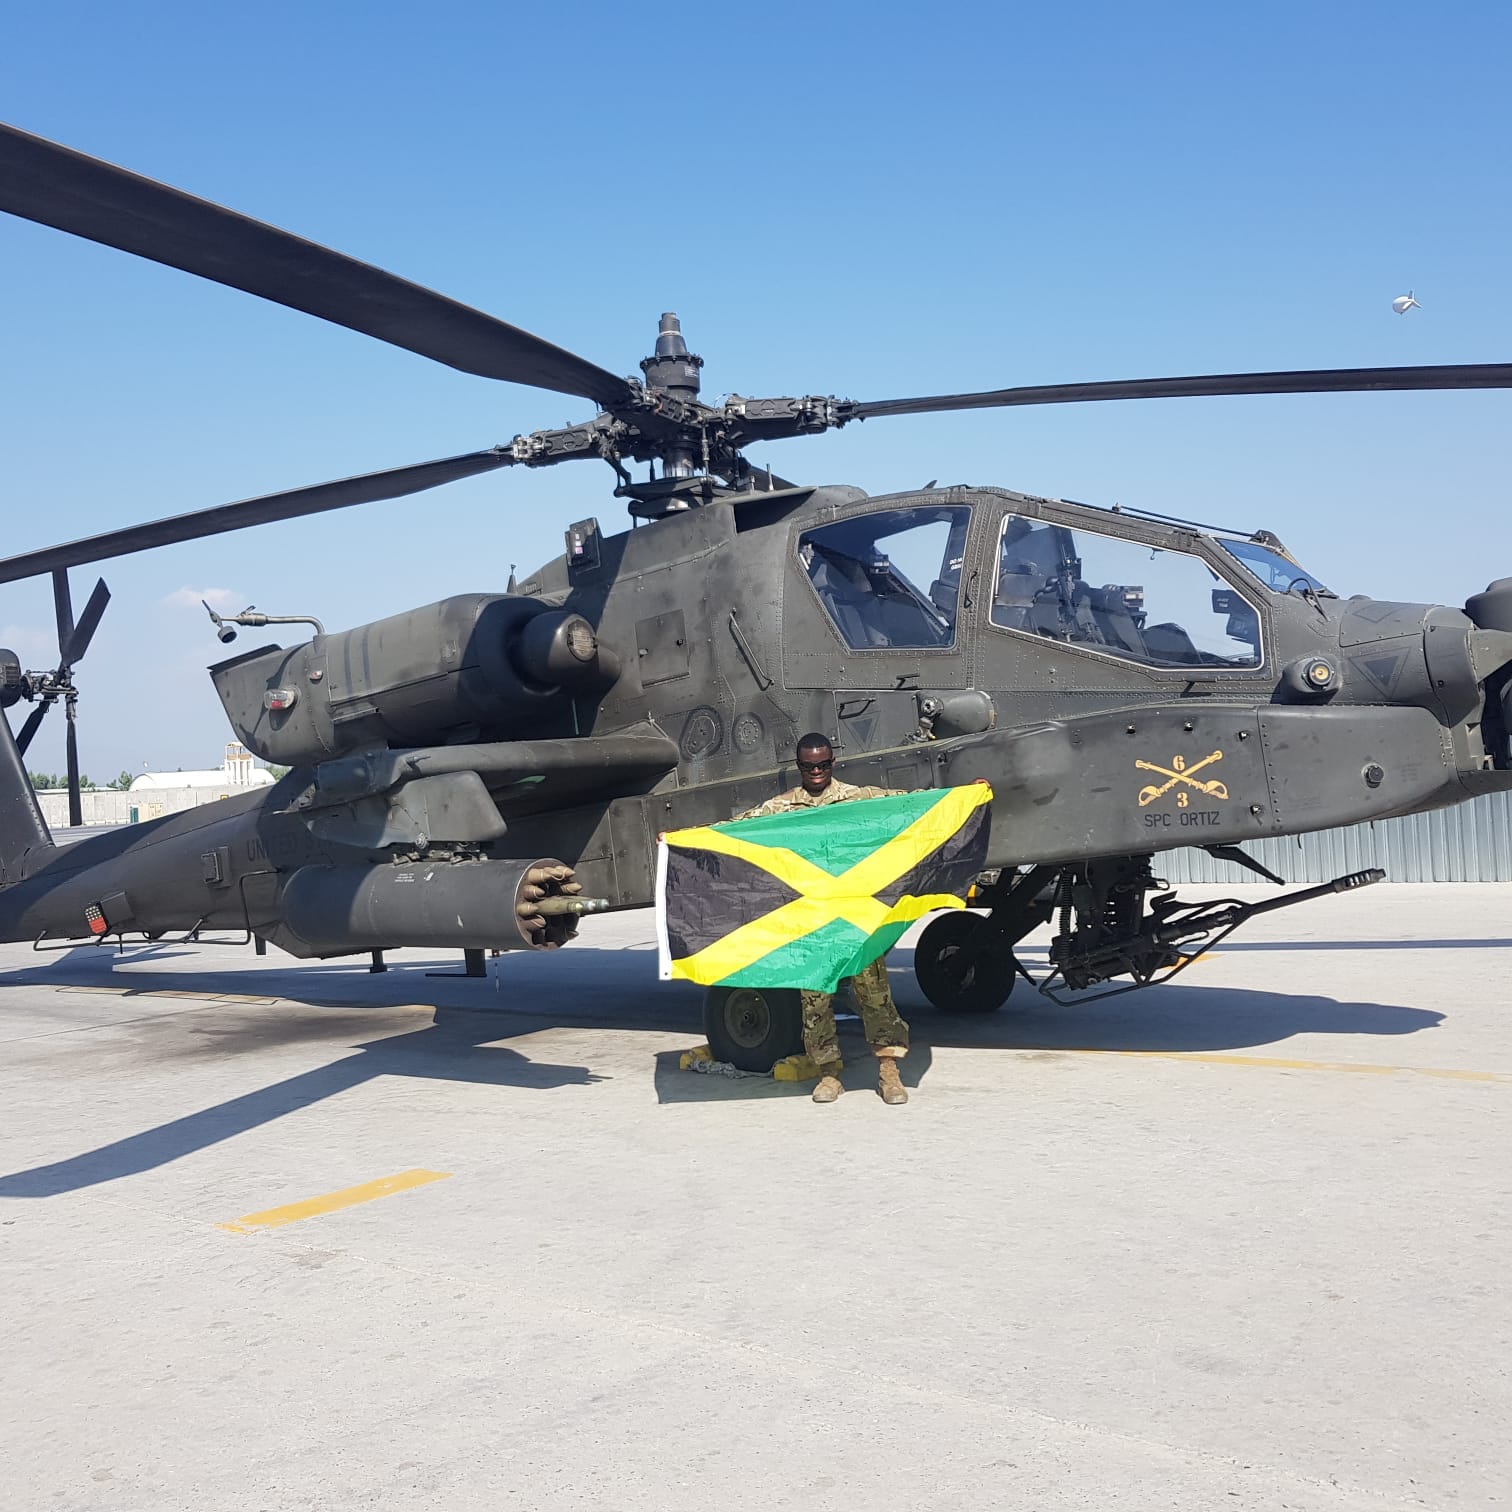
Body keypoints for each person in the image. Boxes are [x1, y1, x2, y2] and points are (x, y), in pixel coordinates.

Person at [735, 733, 911, 1105]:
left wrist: (965, 795)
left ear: (833, 762)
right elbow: (736, 829)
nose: (816, 772)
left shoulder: (856, 798)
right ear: (798, 766)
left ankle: (889, 1071)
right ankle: (829, 1073)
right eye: (807, 766)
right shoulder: (782, 808)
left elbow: (910, 804)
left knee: (875, 995)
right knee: (815, 1002)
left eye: (823, 764)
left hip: (854, 915)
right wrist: (680, 839)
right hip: (812, 919)